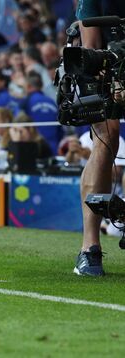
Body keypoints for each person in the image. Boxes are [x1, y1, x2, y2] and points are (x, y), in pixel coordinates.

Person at [74, 0, 125, 276]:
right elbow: (91, 50)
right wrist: (113, 79)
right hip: (108, 67)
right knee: (107, 136)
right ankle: (89, 248)